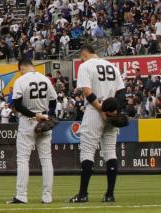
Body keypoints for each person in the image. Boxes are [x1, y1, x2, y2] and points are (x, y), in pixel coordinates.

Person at [70, 45, 125, 203]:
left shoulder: (85, 65)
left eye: (81, 57)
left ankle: (82, 195)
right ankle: (109, 195)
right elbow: (121, 93)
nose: (81, 59)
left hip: (94, 111)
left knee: (87, 152)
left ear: (84, 54)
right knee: (110, 151)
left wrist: (101, 109)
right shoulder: (111, 66)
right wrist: (114, 110)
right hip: (111, 114)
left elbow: (87, 91)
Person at [7, 58, 57, 205]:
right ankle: (47, 197)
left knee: (23, 159)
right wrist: (46, 116)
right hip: (43, 119)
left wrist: (34, 115)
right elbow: (54, 102)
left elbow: (17, 105)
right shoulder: (46, 80)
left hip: (28, 120)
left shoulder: (21, 81)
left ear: (21, 68)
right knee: (46, 159)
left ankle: (21, 196)